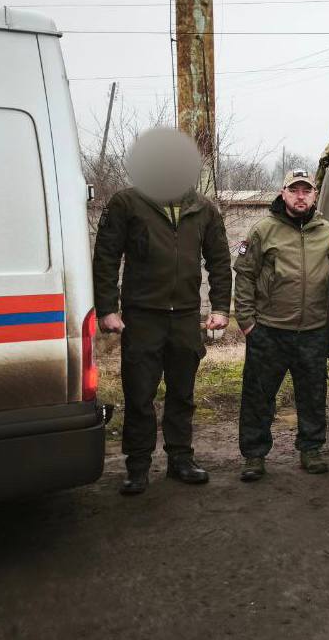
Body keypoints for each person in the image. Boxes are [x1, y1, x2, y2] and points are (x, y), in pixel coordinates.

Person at [93, 183, 232, 496]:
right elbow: (106, 256)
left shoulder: (203, 208)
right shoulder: (128, 202)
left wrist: (221, 307)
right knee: (139, 393)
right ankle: (138, 465)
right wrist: (107, 308)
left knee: (182, 392)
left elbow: (220, 260)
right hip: (142, 315)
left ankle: (180, 458)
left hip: (185, 315)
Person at [235, 169, 329, 482]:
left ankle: (311, 449)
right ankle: (254, 455)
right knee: (258, 396)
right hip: (269, 330)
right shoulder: (263, 230)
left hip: (313, 332)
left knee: (313, 395)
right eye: (294, 190)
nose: (300, 196)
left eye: (306, 190)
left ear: (315, 195)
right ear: (283, 193)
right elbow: (245, 275)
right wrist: (247, 322)